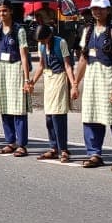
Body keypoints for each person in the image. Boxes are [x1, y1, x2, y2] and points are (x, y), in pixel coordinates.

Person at [72, 0, 112, 169]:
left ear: (108, 10)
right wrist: (75, 83)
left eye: (101, 8)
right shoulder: (87, 31)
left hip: (109, 76)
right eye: (94, 9)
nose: (97, 12)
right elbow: (83, 59)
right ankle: (94, 153)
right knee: (91, 115)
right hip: (92, 78)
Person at [0, 1, 31, 156]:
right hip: (3, 69)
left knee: (18, 108)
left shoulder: (19, 30)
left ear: (11, 11)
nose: (1, 14)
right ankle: (10, 141)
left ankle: (21, 144)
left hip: (16, 67)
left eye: (4, 11)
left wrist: (27, 79)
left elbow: (24, 55)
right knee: (4, 106)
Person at [29, 23, 75, 162]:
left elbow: (67, 65)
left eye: (43, 40)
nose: (42, 43)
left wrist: (73, 84)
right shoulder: (41, 45)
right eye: (40, 41)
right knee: (49, 115)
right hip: (48, 79)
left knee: (58, 115)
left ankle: (63, 149)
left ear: (49, 35)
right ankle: (53, 147)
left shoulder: (60, 43)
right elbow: (42, 65)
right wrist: (32, 81)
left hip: (59, 77)